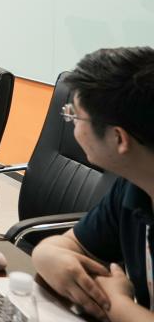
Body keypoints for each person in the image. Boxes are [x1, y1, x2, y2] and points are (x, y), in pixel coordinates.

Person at [32, 47, 154, 322]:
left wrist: (117, 305)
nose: (72, 126)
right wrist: (47, 254)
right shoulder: (132, 188)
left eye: (75, 117)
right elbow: (64, 246)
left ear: (118, 139)